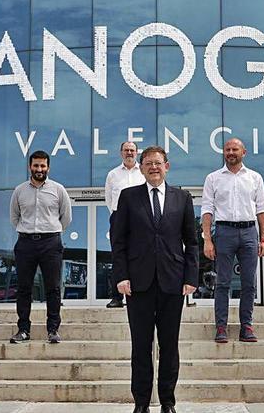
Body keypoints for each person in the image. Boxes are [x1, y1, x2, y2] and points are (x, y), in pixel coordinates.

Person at [112, 145, 199, 413]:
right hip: (138, 284)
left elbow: (192, 242)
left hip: (173, 283)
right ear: (141, 168)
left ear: (167, 166)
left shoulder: (181, 198)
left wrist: (191, 278)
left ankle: (167, 402)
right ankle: (141, 403)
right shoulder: (128, 197)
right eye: (148, 163)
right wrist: (121, 276)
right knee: (140, 345)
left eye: (158, 163)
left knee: (170, 346)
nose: (153, 167)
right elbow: (118, 241)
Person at [200, 137, 264, 343]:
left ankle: (246, 326)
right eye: (228, 149)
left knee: (249, 283)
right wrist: (207, 240)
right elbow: (207, 209)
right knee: (222, 282)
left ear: (243, 152)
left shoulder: (255, 178)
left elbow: (262, 209)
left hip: (249, 232)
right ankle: (221, 327)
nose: (231, 152)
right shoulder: (213, 178)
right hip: (224, 232)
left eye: (235, 149)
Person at [9, 150, 72, 344]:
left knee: (53, 288)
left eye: (42, 166)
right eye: (36, 165)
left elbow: (66, 218)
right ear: (30, 167)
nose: (39, 169)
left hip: (50, 243)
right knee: (23, 288)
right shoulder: (19, 191)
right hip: (26, 242)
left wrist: (50, 231)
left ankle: (53, 330)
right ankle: (23, 330)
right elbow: (14, 217)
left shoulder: (58, 190)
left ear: (48, 167)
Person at [104, 141, 142, 308]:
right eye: (126, 150)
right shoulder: (112, 174)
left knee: (140, 255)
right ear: (121, 153)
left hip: (140, 218)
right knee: (118, 256)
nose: (129, 153)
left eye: (132, 150)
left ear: (137, 152)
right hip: (118, 217)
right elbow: (109, 199)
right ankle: (117, 297)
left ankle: (139, 293)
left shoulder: (143, 172)